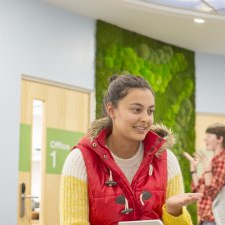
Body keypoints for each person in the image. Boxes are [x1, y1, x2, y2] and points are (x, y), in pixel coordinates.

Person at [60, 74, 202, 225]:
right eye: (136, 110)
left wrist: (174, 211)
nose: (146, 119)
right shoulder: (79, 160)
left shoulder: (166, 160)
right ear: (112, 110)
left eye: (150, 111)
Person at [183, 123, 225, 225]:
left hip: (215, 219)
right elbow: (199, 191)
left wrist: (207, 170)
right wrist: (193, 169)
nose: (205, 139)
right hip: (205, 218)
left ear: (219, 139)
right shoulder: (212, 161)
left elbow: (212, 192)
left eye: (209, 136)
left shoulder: (223, 160)